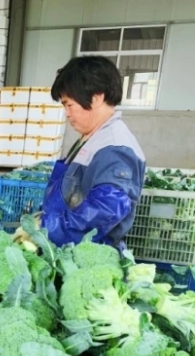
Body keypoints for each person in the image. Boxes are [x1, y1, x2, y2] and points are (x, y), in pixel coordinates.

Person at [37, 56, 146, 250]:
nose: (67, 113)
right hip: (64, 247)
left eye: (69, 104)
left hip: (87, 257)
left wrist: (46, 228)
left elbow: (103, 212)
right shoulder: (92, 137)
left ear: (96, 98)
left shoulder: (114, 149)